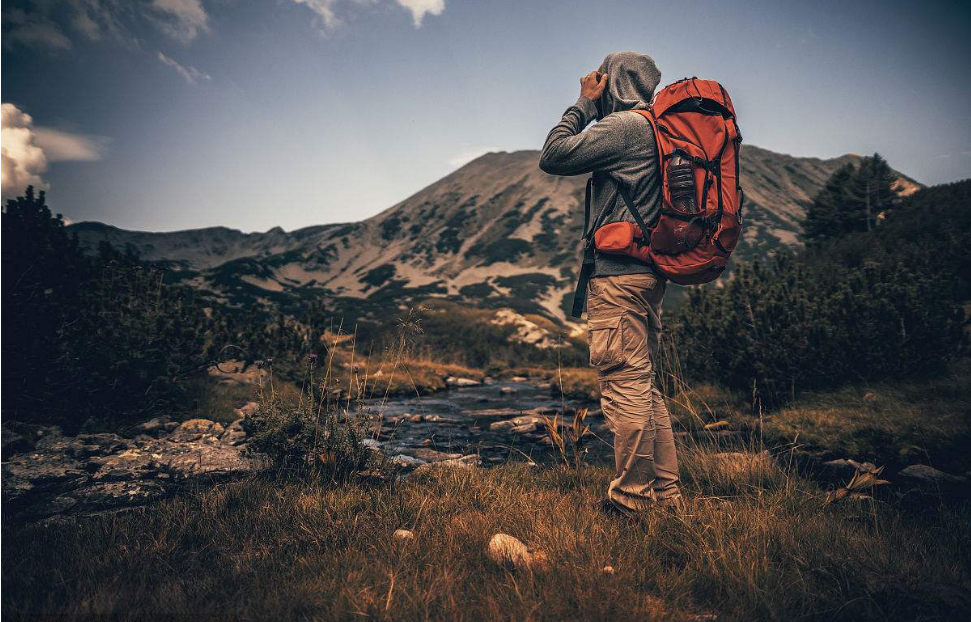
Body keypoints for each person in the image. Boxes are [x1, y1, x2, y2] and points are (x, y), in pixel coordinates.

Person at [539, 52, 681, 515]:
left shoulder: (625, 128)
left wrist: (581, 102)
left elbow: (554, 154)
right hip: (647, 276)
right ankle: (665, 497)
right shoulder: (661, 129)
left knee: (624, 386)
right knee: (644, 386)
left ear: (614, 82)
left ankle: (631, 502)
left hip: (618, 280)